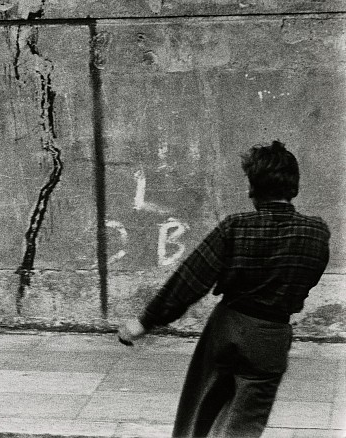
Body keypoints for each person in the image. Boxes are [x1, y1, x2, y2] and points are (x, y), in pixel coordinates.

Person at [118, 140, 330, 438]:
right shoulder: (316, 233)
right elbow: (310, 277)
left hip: (228, 327)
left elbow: (190, 280)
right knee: (245, 425)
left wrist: (145, 322)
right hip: (271, 335)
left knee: (200, 411)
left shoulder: (235, 227)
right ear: (293, 187)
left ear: (252, 189)